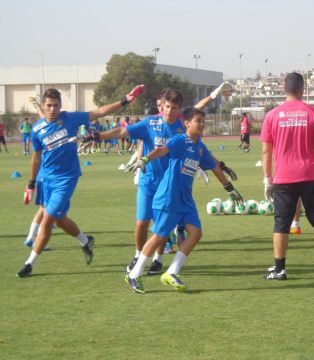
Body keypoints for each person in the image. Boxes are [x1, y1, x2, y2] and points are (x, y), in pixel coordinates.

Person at [90, 83, 235, 276]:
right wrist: (98, 136)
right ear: (161, 106)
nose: (170, 111)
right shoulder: (150, 123)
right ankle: (138, 254)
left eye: (174, 108)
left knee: (162, 227)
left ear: (179, 111)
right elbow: (122, 132)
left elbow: (198, 113)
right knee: (142, 222)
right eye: (167, 106)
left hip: (170, 186)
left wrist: (220, 165)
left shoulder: (183, 126)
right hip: (148, 181)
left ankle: (158, 260)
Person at [16, 84, 144, 277]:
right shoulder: (37, 129)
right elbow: (36, 158)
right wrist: (31, 182)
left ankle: (29, 263)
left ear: (60, 106)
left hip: (66, 178)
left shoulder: (70, 118)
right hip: (45, 179)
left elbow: (99, 112)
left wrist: (125, 100)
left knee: (48, 218)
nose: (52, 109)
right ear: (43, 105)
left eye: (56, 105)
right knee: (59, 220)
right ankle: (86, 241)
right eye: (49, 105)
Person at [124, 107, 243, 293]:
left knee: (196, 233)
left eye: (203, 121)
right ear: (187, 123)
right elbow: (161, 149)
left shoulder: (200, 147)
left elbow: (214, 167)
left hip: (185, 199)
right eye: (198, 121)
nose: (202, 124)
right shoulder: (180, 140)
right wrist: (145, 160)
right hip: (169, 196)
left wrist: (229, 188)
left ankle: (171, 272)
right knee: (159, 236)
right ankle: (134, 274)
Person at [261, 72, 314, 280]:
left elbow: (266, 151)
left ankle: (280, 268)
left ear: (284, 89)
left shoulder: (271, 116)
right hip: (310, 174)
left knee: (281, 223)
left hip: (283, 177)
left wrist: (266, 179)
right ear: (302, 89)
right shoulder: (313, 112)